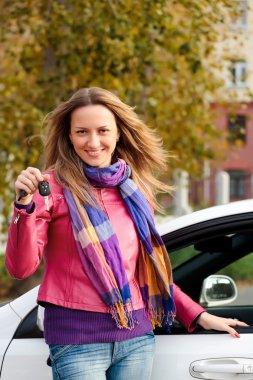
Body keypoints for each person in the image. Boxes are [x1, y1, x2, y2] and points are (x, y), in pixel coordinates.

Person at [5, 87, 247, 380]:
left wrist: (198, 315)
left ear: (118, 133)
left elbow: (145, 273)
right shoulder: (50, 189)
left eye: (103, 130)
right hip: (76, 342)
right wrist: (23, 206)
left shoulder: (133, 189)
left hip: (137, 339)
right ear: (69, 135)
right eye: (82, 132)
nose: (93, 142)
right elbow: (21, 268)